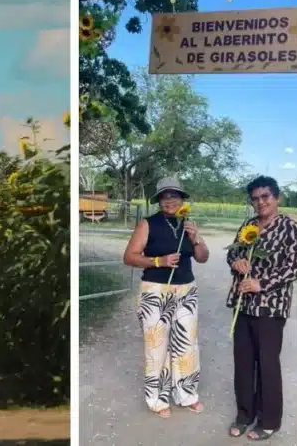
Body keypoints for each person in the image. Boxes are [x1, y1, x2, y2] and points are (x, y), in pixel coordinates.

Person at [225, 175, 297, 441]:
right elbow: (233, 252)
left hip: (271, 307)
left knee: (267, 364)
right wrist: (236, 262)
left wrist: (263, 283)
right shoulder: (248, 225)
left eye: (265, 197)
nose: (260, 203)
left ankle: (269, 419)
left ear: (277, 198)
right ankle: (244, 414)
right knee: (243, 362)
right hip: (243, 304)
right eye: (255, 198)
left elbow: (296, 265)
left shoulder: (289, 228)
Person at [122, 177, 210, 419]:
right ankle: (157, 398)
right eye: (165, 195)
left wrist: (196, 238)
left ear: (182, 199)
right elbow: (129, 256)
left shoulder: (188, 225)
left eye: (175, 195)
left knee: (186, 345)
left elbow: (203, 257)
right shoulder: (147, 224)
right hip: (155, 292)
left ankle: (186, 394)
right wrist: (158, 261)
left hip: (186, 292)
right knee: (157, 345)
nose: (170, 199)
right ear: (159, 200)